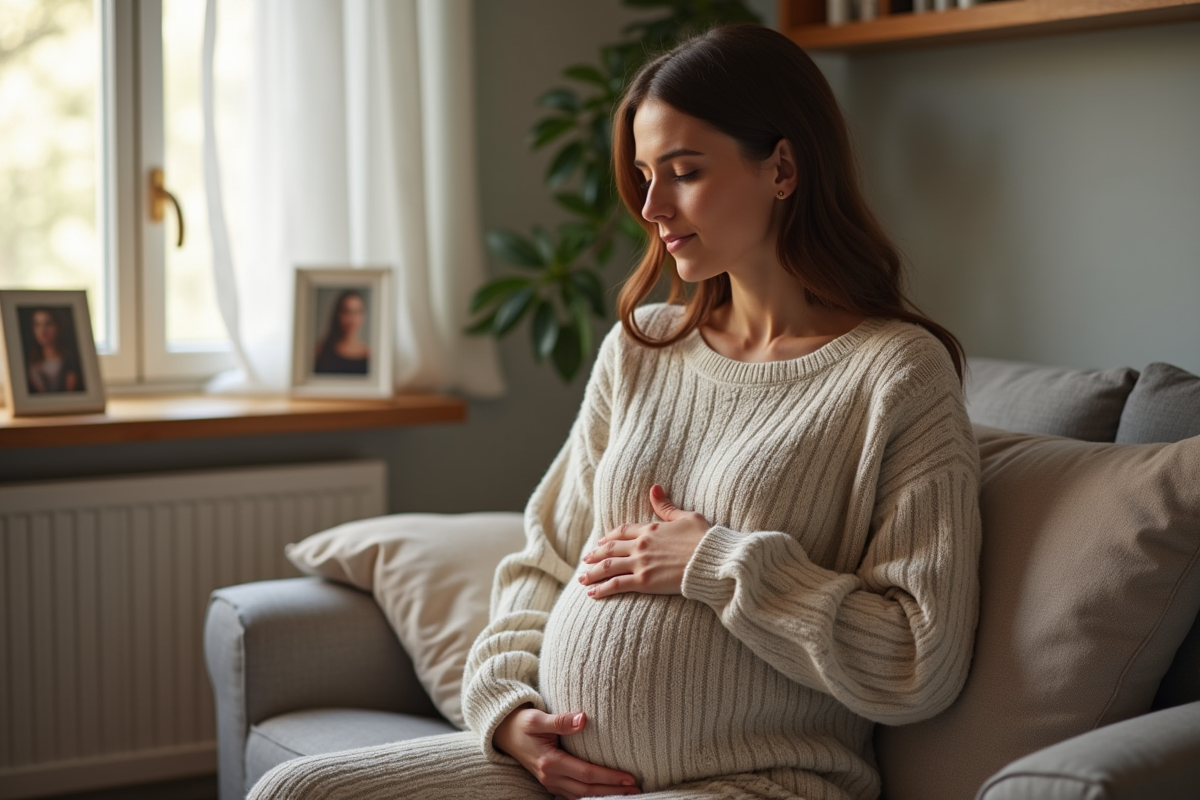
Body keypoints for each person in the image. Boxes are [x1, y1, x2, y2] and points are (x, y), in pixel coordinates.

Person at [250, 24, 981, 800]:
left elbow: (917, 659)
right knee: (295, 792)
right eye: (642, 174)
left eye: (684, 171)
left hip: (761, 782)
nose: (653, 206)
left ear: (783, 167)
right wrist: (507, 714)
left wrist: (715, 562)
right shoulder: (645, 345)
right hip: (558, 772)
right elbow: (547, 559)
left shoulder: (897, 375)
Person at [25, 307, 84, 394]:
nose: (43, 331)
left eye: (48, 324)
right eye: (37, 325)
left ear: (58, 326)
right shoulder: (31, 366)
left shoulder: (70, 361)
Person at [313, 289, 370, 375]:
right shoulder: (319, 350)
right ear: (338, 314)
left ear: (363, 316)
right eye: (347, 311)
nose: (352, 318)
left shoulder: (369, 354)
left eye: (357, 312)